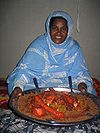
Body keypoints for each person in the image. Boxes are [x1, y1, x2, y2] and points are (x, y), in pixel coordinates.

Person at [7, 10, 96, 99]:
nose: (58, 32)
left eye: (63, 29)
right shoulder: (38, 45)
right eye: (54, 28)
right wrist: (18, 87)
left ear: (68, 30)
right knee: (20, 95)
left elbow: (80, 74)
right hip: (38, 86)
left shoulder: (74, 47)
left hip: (67, 88)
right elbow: (24, 71)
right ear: (49, 29)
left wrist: (81, 85)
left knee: (87, 98)